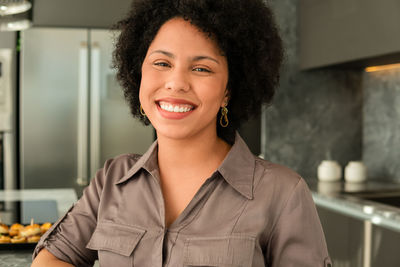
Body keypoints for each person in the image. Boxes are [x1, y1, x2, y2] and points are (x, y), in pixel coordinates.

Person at [32, 0, 332, 266]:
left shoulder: (282, 194)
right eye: (162, 63)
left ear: (229, 90)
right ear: (138, 74)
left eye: (201, 68)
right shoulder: (112, 179)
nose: (176, 83)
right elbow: (53, 256)